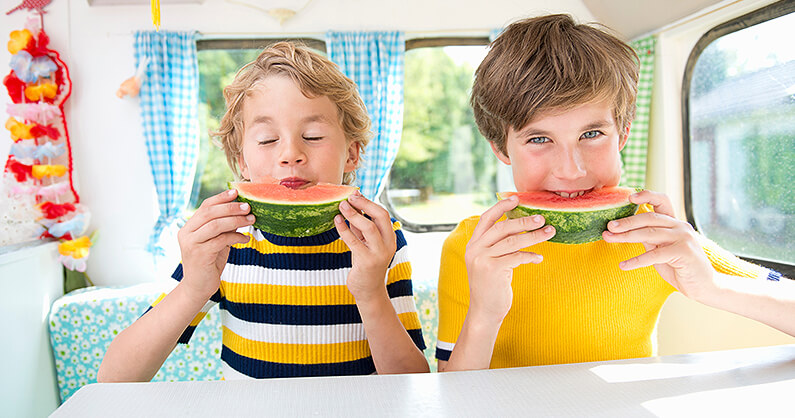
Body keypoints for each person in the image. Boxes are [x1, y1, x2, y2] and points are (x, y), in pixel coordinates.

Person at [436, 14, 795, 372]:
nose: (571, 170)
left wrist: (713, 287)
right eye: (539, 139)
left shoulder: (653, 234)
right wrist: (485, 313)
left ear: (622, 133)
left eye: (591, 134)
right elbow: (446, 396)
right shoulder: (475, 246)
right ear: (501, 147)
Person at [99, 42, 428, 381]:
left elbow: (411, 380)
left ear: (352, 154)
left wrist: (371, 291)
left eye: (313, 136)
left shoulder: (376, 236)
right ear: (241, 161)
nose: (290, 154)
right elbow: (116, 378)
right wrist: (194, 287)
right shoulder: (226, 241)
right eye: (268, 139)